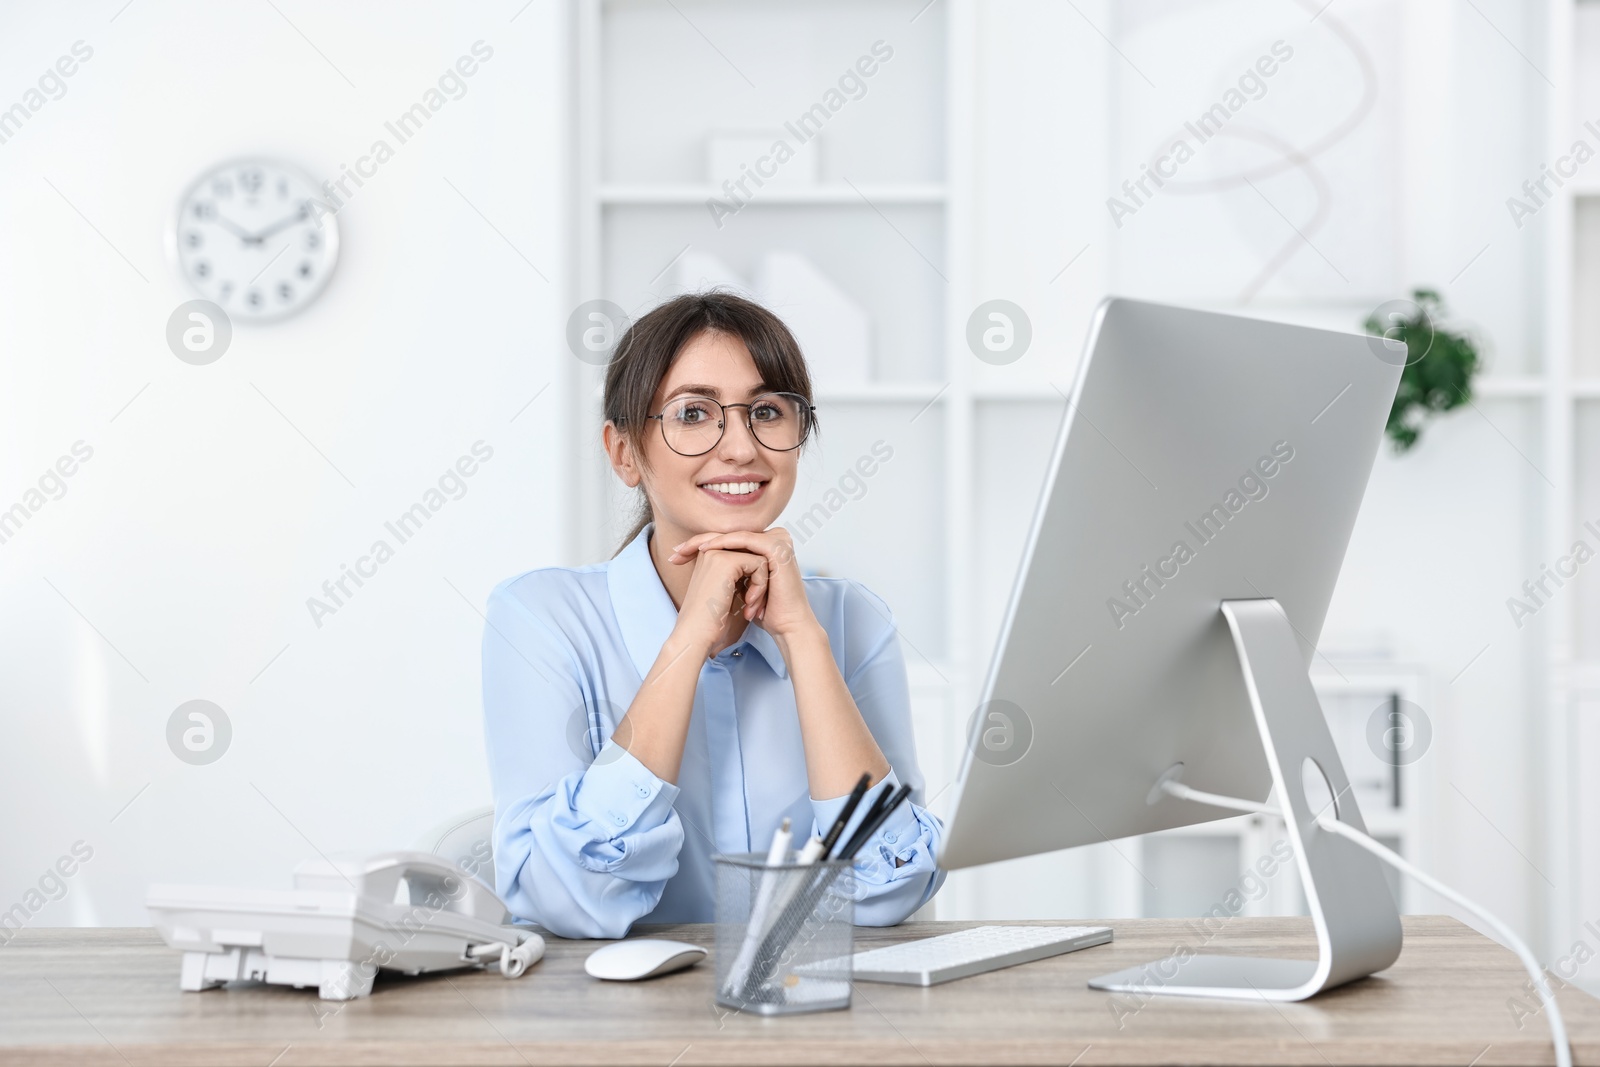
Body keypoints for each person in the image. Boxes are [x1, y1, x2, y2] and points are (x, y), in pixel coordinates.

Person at [482, 291, 946, 939]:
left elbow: (889, 888)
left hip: (807, 1016)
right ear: (623, 453)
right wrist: (690, 637)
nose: (739, 448)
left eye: (767, 411)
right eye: (694, 413)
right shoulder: (539, 618)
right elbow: (567, 899)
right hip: (616, 1027)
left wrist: (802, 638)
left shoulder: (854, 620)